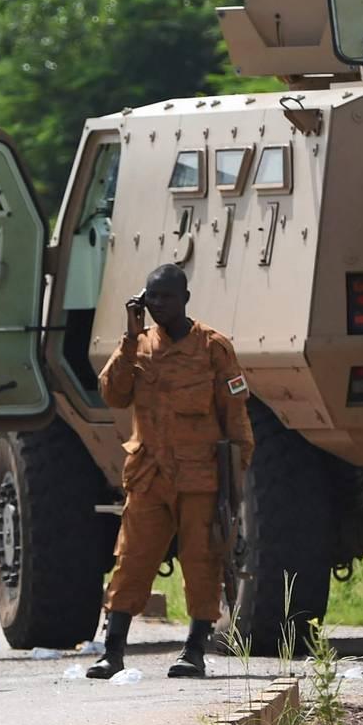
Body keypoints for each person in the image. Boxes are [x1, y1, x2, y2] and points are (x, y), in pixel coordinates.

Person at [87, 264, 256, 680]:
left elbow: (235, 420)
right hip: (148, 476)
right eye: (151, 297)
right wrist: (129, 336)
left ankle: (194, 650)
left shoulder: (214, 348)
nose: (158, 304)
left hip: (201, 479)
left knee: (202, 562)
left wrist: (234, 481)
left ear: (185, 298)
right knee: (132, 560)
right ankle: (112, 651)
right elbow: (112, 393)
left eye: (165, 297)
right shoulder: (138, 347)